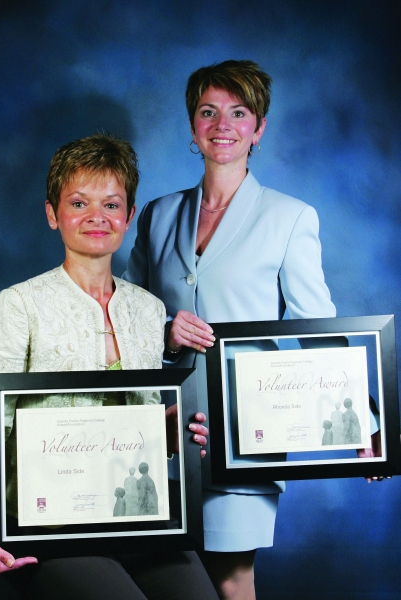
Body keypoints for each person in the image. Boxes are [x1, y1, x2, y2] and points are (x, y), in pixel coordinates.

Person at [123, 60, 382, 599]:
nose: (223, 124)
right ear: (193, 124)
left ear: (258, 128)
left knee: (231, 581)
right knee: (161, 578)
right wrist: (167, 330)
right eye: (208, 111)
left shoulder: (290, 217)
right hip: (158, 428)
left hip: (243, 430)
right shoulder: (155, 214)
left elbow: (319, 329)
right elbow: (125, 319)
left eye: (239, 113)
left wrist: (365, 422)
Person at [0, 133, 219, 600]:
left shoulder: (148, 311)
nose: (96, 217)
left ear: (129, 217)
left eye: (111, 204)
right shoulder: (18, 305)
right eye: (79, 202)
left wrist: (171, 432)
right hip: (48, 520)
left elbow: (141, 425)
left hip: (136, 512)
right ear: (53, 214)